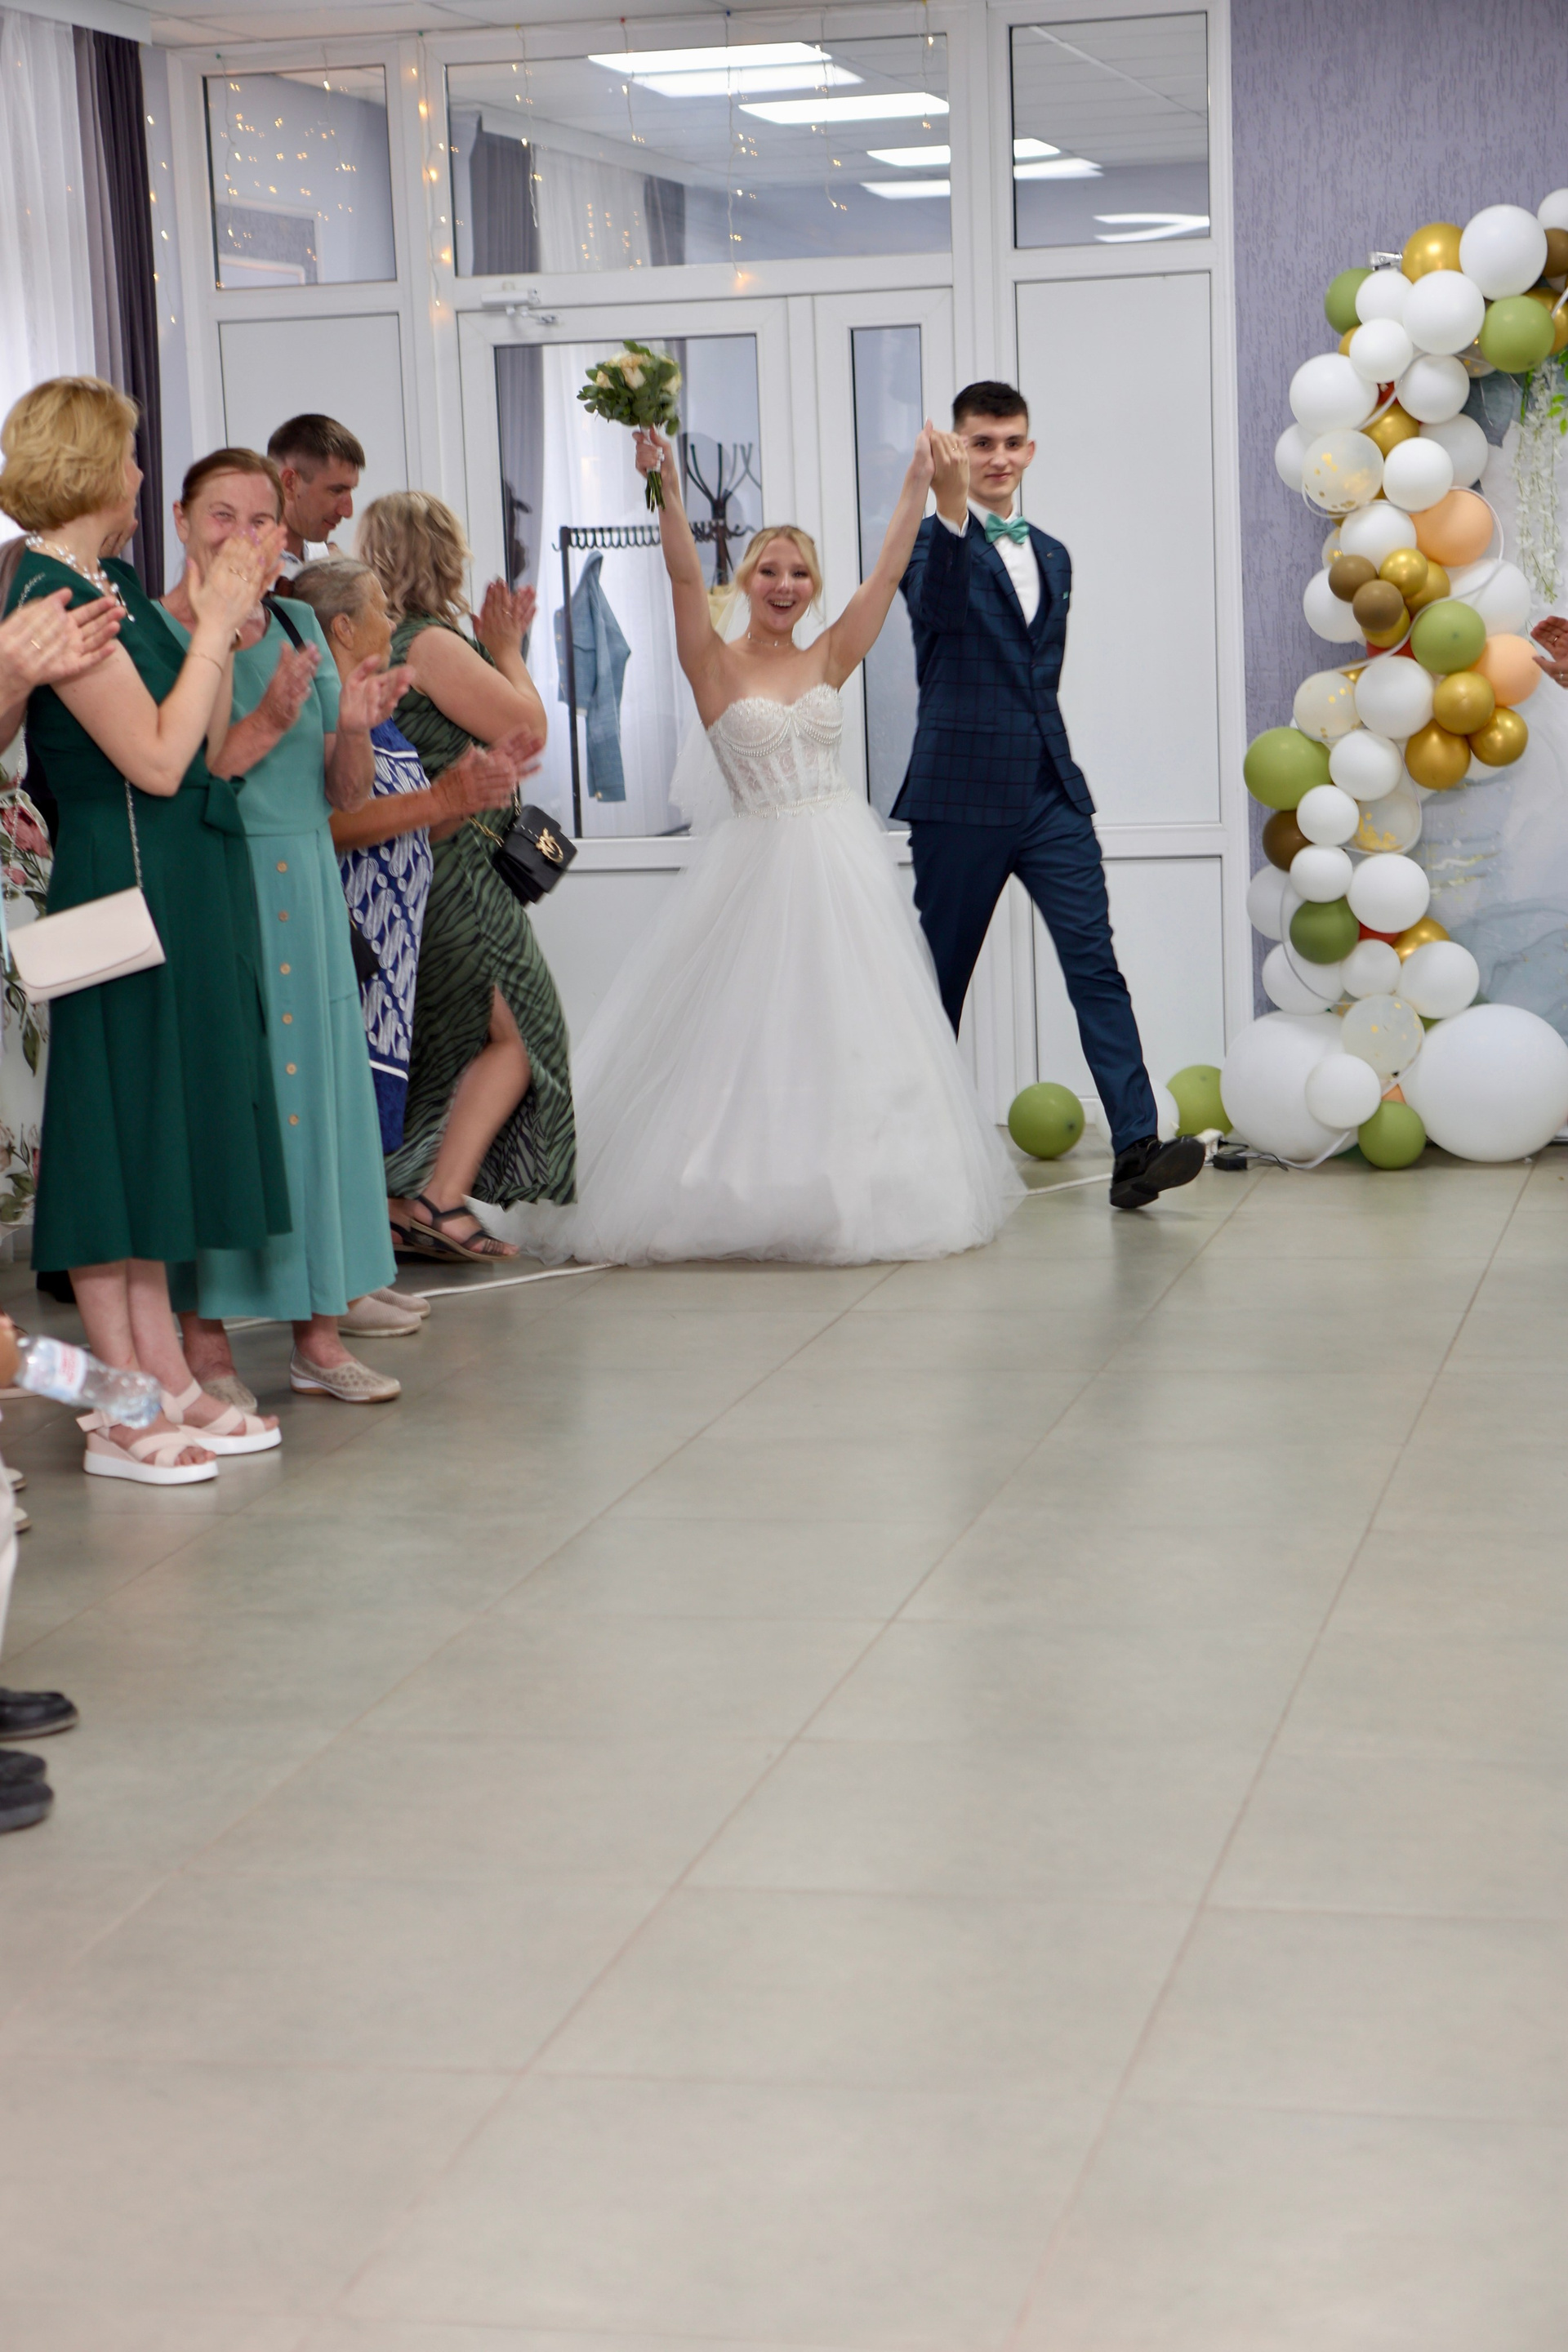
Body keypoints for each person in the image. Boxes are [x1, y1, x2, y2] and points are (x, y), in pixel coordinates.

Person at [504, 423, 1020, 1267]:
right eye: (770, 570)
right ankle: (736, 1188)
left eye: (800, 572)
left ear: (813, 587)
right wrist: (666, 484)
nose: (785, 584)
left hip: (840, 860)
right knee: (747, 1034)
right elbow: (681, 573)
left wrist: (917, 484)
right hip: (758, 864)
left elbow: (889, 572)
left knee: (855, 1030)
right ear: (746, 580)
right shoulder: (711, 663)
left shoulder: (830, 654)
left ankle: (863, 1186)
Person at [0, 375, 287, 1481]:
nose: (136, 475)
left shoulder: (107, 579)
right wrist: (211, 625)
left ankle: (164, 1377)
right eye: (127, 457)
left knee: (155, 1135)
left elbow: (202, 742)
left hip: (169, 874)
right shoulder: (50, 591)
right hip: (114, 885)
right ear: (90, 467)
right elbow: (157, 761)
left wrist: (225, 630)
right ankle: (115, 1403)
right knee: (113, 1139)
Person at [898, 381, 1204, 1213]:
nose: (998, 458)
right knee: (940, 980)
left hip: (1050, 792)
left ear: (1030, 450)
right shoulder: (926, 545)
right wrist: (948, 506)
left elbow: (1037, 676)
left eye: (1011, 442)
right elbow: (938, 612)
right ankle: (907, 1154)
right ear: (954, 448)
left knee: (1095, 964)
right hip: (958, 795)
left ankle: (1136, 1147)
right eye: (981, 442)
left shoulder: (1057, 555)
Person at [155, 452, 414, 1403]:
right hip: (219, 884)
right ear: (182, 522)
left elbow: (343, 794)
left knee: (322, 1105)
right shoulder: (161, 630)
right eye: (222, 515)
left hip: (306, 886)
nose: (244, 536)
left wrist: (355, 725)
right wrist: (265, 717)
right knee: (230, 1103)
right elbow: (187, 778)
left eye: (261, 519)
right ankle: (208, 1349)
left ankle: (320, 1337)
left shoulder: (302, 621)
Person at [358, 492, 575, 1260]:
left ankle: (401, 1201)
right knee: (525, 1029)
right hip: (457, 866)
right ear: (443, 557)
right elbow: (528, 729)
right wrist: (507, 648)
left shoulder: (385, 644)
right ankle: (440, 1201)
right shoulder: (429, 643)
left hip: (423, 859)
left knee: (444, 1038)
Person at [287, 558, 540, 1174]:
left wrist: (466, 797)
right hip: (354, 944)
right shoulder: (321, 712)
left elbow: (415, 826)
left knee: (370, 1127)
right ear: (343, 628)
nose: (392, 621)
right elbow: (330, 825)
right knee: (340, 1122)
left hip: (393, 953)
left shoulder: (381, 717)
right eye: (380, 607)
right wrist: (440, 800)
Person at [267, 414, 363, 578]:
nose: (348, 511)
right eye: (336, 490)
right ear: (290, 483)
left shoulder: (327, 561)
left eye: (350, 491)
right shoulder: (246, 575)